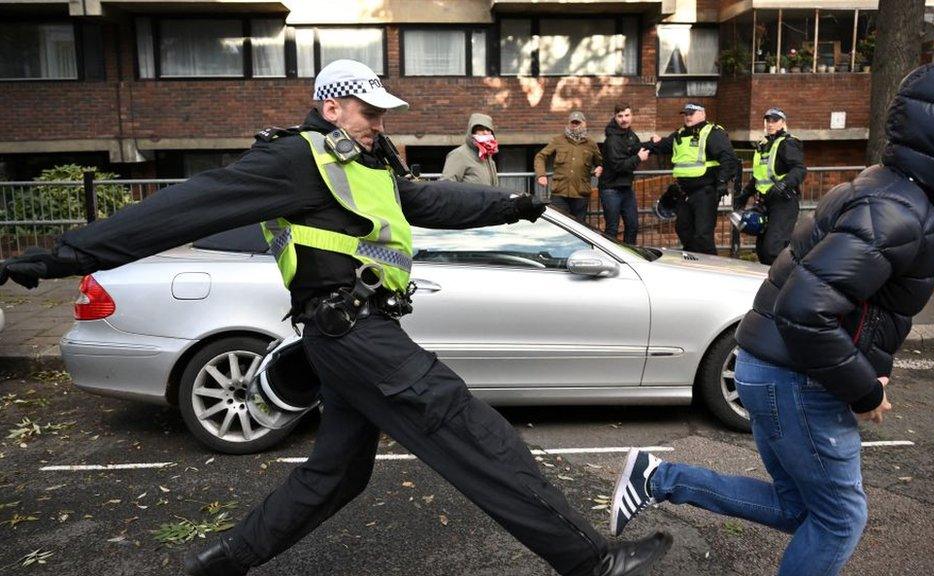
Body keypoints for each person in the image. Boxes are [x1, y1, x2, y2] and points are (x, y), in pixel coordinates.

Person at [0, 59, 673, 576]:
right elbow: (177, 209)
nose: (380, 122)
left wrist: (517, 209)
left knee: (337, 474)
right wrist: (57, 257)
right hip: (354, 334)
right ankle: (590, 561)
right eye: (368, 110)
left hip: (347, 336)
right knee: (466, 427)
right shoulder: (298, 156)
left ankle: (223, 561)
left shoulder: (364, 161)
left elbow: (425, 204)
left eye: (383, 112)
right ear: (331, 105)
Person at [608, 62, 934, 575]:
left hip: (776, 368)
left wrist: (873, 363)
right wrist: (865, 390)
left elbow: (862, 303)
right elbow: (806, 311)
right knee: (840, 519)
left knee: (800, 510)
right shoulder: (898, 210)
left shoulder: (894, 194)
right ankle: (660, 478)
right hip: (796, 378)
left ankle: (658, 478)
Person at [647, 103, 740, 254]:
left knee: (703, 235)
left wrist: (722, 182)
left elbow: (728, 158)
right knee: (683, 228)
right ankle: (693, 263)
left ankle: (711, 268)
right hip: (684, 192)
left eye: (691, 113)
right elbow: (662, 146)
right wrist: (636, 147)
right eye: (685, 114)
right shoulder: (680, 134)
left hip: (705, 191)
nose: (688, 117)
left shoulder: (712, 133)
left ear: (703, 114)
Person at [733, 108, 806, 265]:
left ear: (783, 123)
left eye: (775, 120)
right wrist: (746, 194)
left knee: (773, 248)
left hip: (783, 201)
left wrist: (784, 183)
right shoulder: (763, 145)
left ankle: (782, 282)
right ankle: (767, 282)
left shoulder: (788, 143)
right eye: (768, 120)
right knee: (761, 249)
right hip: (765, 202)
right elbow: (759, 176)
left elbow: (799, 169)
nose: (770, 124)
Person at [534, 111, 603, 222]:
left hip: (580, 194)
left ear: (585, 124)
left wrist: (600, 167)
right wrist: (541, 175)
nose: (575, 125)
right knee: (558, 227)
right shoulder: (558, 140)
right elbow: (540, 156)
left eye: (578, 123)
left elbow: (600, 162)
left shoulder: (591, 144)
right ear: (568, 124)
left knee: (579, 228)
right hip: (559, 193)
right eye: (573, 123)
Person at [599, 103, 647, 244]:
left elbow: (638, 148)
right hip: (611, 189)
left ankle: (629, 257)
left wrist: (654, 143)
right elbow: (618, 166)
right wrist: (638, 158)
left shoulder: (630, 135)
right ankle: (611, 259)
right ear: (615, 117)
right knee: (612, 229)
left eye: (627, 115)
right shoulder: (612, 140)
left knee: (633, 226)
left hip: (626, 188)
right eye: (620, 116)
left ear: (632, 116)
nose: (624, 119)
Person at [441, 112, 499, 186]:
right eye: (480, 129)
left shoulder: (488, 157)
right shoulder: (459, 154)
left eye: (488, 129)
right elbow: (446, 186)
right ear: (472, 132)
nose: (485, 133)